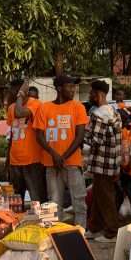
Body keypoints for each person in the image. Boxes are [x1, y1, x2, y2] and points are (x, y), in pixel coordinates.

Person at [34, 75, 89, 228]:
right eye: (69, 87)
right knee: (54, 204)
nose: (73, 90)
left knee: (79, 202)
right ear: (59, 88)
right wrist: (54, 155)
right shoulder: (44, 108)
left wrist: (62, 157)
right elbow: (39, 136)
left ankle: (80, 233)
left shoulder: (78, 107)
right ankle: (56, 235)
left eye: (73, 87)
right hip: (51, 164)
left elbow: (80, 136)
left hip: (72, 163)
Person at [84, 79, 122, 243]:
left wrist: (81, 138)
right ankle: (95, 227)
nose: (89, 95)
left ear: (98, 94)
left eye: (91, 92)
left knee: (105, 197)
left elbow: (95, 140)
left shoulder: (99, 114)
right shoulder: (113, 110)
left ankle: (111, 232)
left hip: (102, 162)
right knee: (99, 196)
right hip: (111, 161)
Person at [6, 79, 47, 203]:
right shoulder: (11, 108)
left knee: (37, 201)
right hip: (15, 162)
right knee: (15, 203)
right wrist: (8, 159)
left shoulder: (36, 104)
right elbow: (12, 135)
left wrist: (20, 94)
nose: (9, 94)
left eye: (11, 91)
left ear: (19, 91)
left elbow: (19, 113)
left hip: (32, 162)